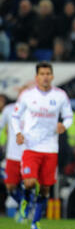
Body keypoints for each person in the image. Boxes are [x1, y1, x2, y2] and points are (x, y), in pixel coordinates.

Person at [12, 62, 73, 229]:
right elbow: (15, 116)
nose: (45, 77)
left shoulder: (60, 95)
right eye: (42, 74)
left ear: (52, 76)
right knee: (30, 182)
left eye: (48, 73)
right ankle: (25, 199)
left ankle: (35, 222)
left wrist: (64, 126)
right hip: (31, 146)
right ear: (36, 77)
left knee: (45, 188)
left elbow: (69, 116)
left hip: (51, 148)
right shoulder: (27, 95)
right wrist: (18, 133)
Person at [0, 93, 26, 221]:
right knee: (10, 185)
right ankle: (22, 203)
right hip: (12, 155)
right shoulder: (8, 109)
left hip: (29, 155)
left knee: (28, 184)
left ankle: (24, 210)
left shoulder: (35, 110)